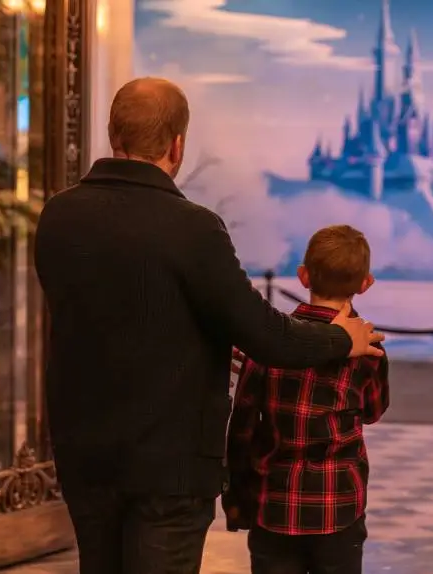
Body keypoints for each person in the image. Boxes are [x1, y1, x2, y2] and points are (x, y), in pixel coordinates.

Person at [33, 77, 384, 574]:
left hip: (84, 453)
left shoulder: (58, 216)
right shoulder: (192, 227)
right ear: (178, 145)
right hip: (169, 464)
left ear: (114, 132)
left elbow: (117, 318)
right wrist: (340, 337)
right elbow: (263, 332)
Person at [222, 224, 390, 574]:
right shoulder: (369, 348)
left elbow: (242, 429)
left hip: (276, 504)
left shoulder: (268, 343)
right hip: (339, 503)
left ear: (303, 276)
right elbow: (374, 411)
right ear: (365, 283)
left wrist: (237, 500)